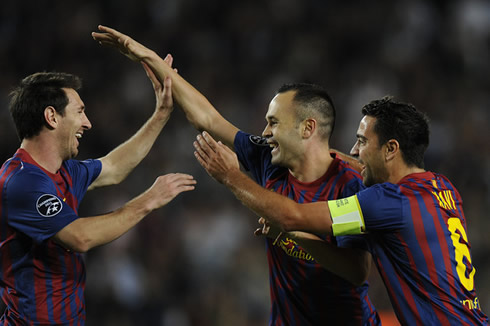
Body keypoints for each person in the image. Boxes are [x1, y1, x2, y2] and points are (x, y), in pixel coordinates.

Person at [92, 26, 380, 325]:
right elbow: (207, 118)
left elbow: (356, 269)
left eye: (274, 122)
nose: (265, 132)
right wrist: (151, 59)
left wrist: (283, 227)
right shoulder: (269, 159)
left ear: (307, 129)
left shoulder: (350, 186)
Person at [192, 96, 489, 325]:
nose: (355, 150)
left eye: (361, 141)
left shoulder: (384, 203)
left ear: (391, 149)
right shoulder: (442, 188)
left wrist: (229, 176)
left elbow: (291, 214)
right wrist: (295, 235)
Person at [0, 68, 196, 325]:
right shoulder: (21, 181)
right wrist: (147, 200)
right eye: (80, 112)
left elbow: (114, 167)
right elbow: (79, 236)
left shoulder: (64, 171)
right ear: (52, 117)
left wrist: (160, 115)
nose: (87, 122)